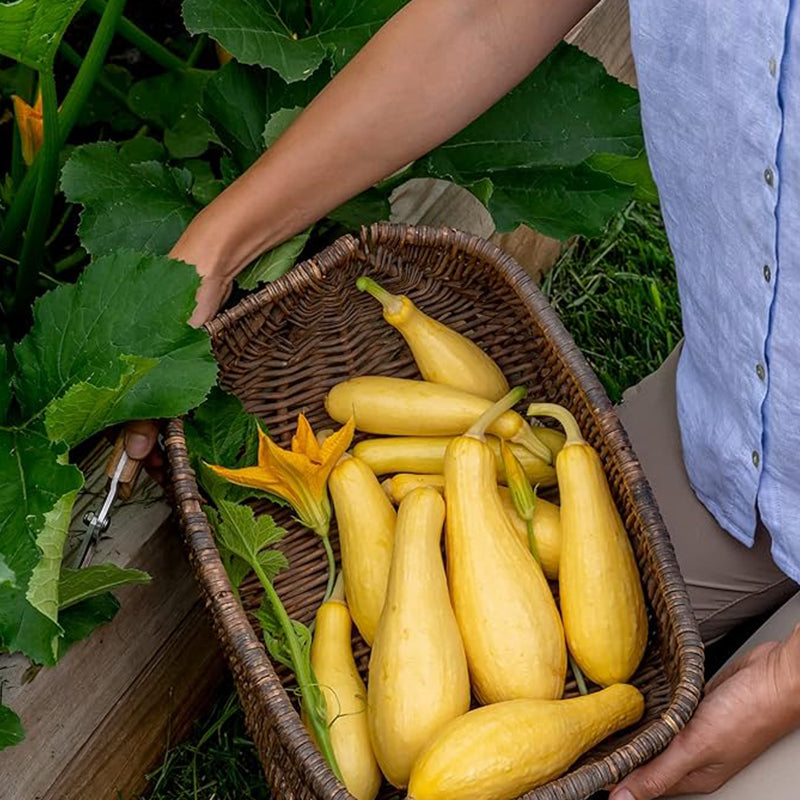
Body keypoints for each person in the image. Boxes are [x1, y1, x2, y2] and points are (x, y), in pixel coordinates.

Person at [124, 1, 800, 797]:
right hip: (737, 433)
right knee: (588, 598)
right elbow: (479, 15)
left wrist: (781, 685)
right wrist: (215, 245)